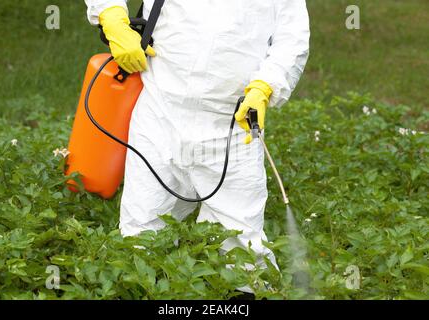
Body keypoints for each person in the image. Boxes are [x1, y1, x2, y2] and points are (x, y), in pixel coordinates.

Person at [85, 0, 309, 277]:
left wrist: (266, 86)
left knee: (240, 250)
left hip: (232, 126)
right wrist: (112, 16)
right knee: (140, 239)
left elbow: (292, 38)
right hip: (159, 114)